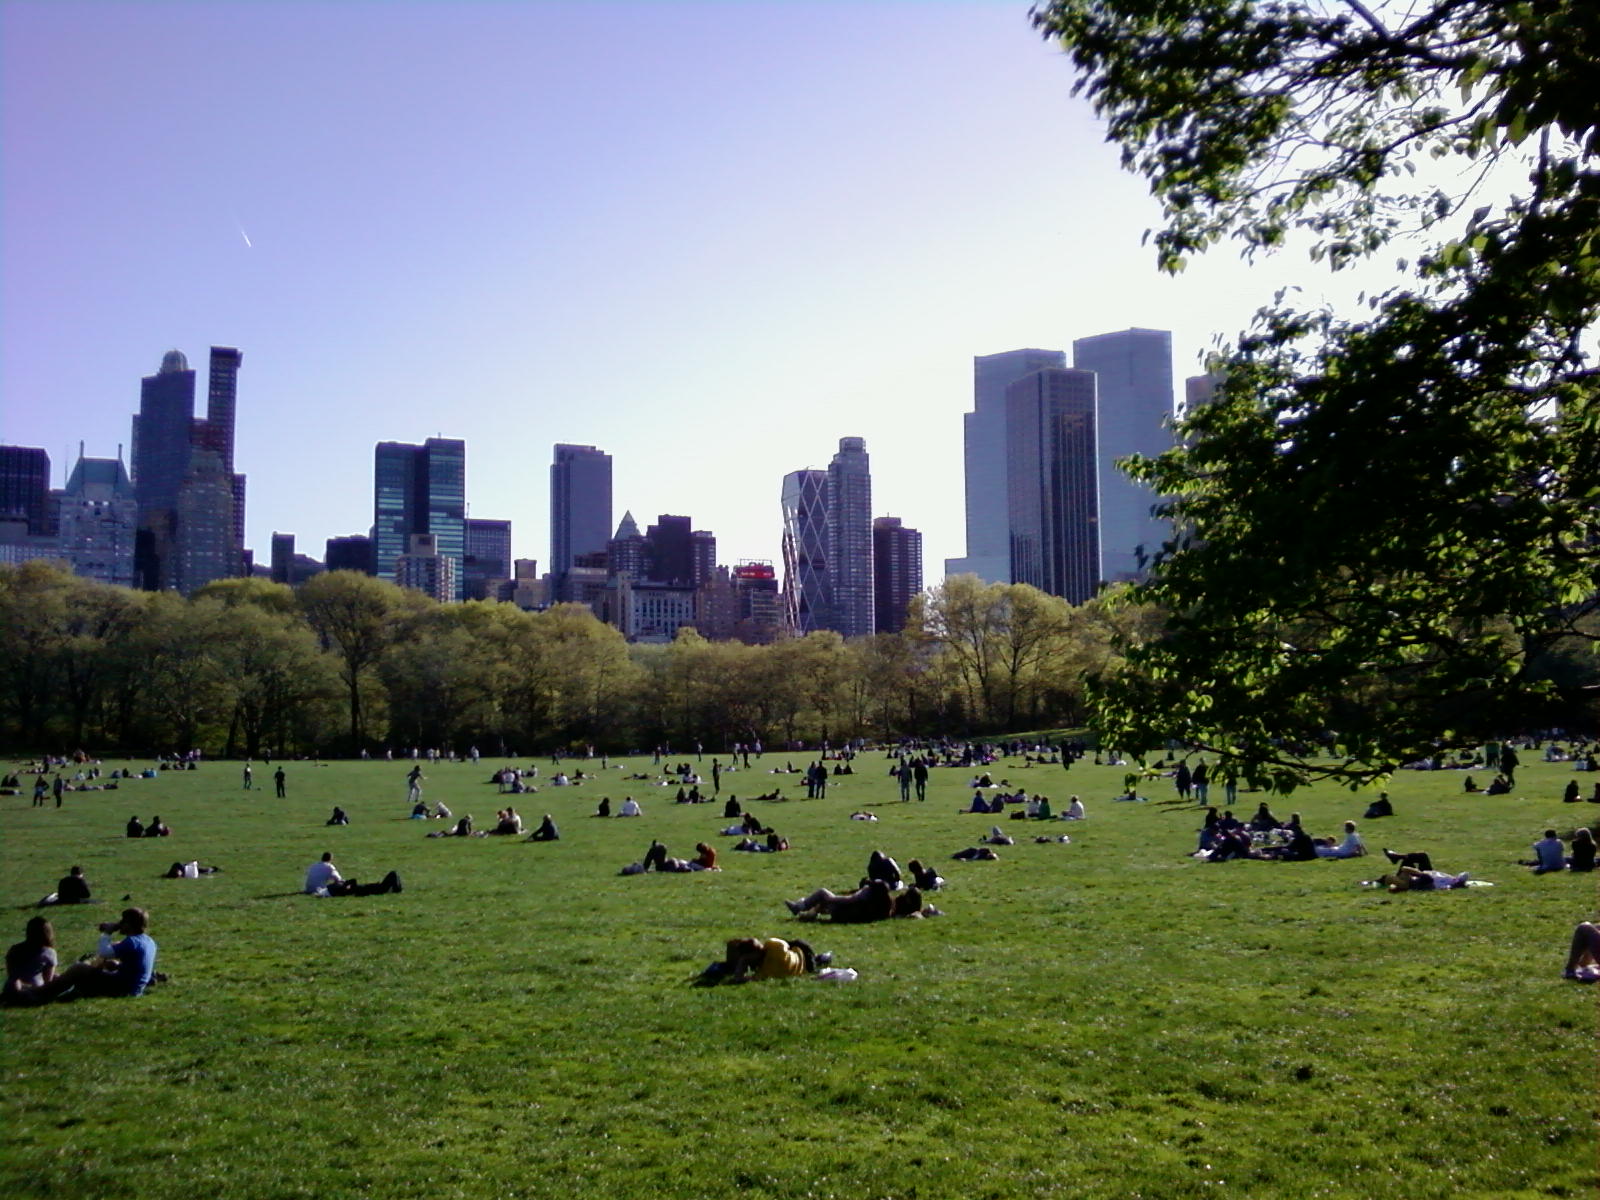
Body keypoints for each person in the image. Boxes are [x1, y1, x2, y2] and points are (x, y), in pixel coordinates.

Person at [37, 907, 158, 1001]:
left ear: (130, 924)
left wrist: (107, 933)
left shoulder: (132, 942)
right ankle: (61, 987)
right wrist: (117, 966)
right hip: (134, 987)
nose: (119, 923)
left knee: (79, 968)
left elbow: (103, 952)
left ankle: (42, 993)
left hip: (124, 988)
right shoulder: (148, 940)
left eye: (123, 921)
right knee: (97, 967)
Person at [785, 879, 895, 924]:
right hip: (849, 915)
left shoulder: (865, 897)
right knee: (823, 902)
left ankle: (799, 907)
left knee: (822, 893)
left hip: (843, 913)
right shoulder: (883, 904)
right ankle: (805, 913)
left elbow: (848, 900)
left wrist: (832, 899)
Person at [3, 917, 57, 1005]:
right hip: (35, 988)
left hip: (13, 986)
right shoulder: (49, 952)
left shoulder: (15, 949)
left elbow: (11, 972)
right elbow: (48, 980)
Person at [1380, 866, 1471, 892]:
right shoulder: (1450, 878)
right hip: (1420, 880)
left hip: (1425, 883)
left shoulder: (1452, 884)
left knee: (1389, 877)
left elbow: (1445, 888)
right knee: (1404, 869)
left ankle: (1380, 881)